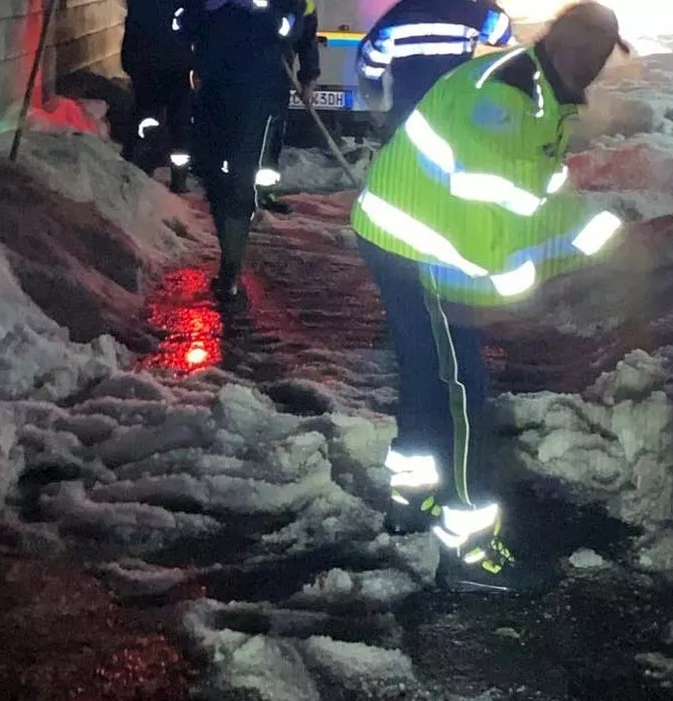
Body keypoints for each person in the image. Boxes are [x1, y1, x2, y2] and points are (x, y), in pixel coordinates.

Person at [351, 2, 629, 592]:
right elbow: (491, 234)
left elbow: (535, 197)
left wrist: (585, 235)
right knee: (463, 394)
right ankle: (470, 551)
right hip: (424, 247)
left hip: (405, 231)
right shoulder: (507, 101)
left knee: (428, 372)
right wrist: (491, 293)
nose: (592, 63)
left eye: (601, 54)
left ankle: (412, 498)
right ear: (555, 40)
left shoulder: (541, 90)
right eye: (584, 48)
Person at [185, 0, 309, 302]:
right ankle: (229, 251)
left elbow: (293, 25)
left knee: (242, 177)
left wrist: (262, 8)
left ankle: (231, 267)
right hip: (214, 93)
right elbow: (184, 23)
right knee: (211, 176)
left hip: (260, 95)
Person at [356, 0, 515, 140]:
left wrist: (378, 99)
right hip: (450, 117)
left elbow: (370, 66)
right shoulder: (470, 11)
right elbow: (501, 32)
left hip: (406, 120)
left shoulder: (396, 17)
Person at [121, 0, 195, 193]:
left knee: (150, 118)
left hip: (162, 68)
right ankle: (141, 169)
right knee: (172, 123)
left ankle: (134, 169)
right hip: (167, 68)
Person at [255, 0, 321, 215]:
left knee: (272, 134)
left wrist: (308, 79)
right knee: (246, 134)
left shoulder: (305, 3)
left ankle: (264, 192)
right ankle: (236, 192)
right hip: (245, 71)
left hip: (278, 76)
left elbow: (307, 39)